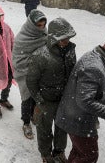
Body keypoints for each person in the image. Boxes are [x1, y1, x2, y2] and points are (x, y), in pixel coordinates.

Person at [55, 34, 105, 163]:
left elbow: (102, 87)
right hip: (77, 119)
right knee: (88, 156)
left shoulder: (101, 60)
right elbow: (85, 101)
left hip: (75, 115)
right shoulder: (94, 67)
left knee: (79, 151)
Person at [26, 17, 76, 163]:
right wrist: (39, 100)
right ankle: (46, 154)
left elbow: (73, 74)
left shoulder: (70, 51)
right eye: (62, 38)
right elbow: (31, 80)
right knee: (44, 129)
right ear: (53, 37)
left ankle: (59, 151)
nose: (65, 41)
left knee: (62, 128)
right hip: (46, 100)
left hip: (64, 99)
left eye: (67, 38)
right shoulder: (40, 55)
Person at [12, 10, 48, 140]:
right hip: (25, 75)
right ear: (31, 25)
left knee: (36, 97)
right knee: (26, 99)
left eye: (43, 24)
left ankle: (33, 116)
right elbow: (18, 61)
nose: (41, 28)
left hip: (40, 74)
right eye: (38, 25)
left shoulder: (44, 34)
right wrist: (36, 61)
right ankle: (26, 122)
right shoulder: (22, 39)